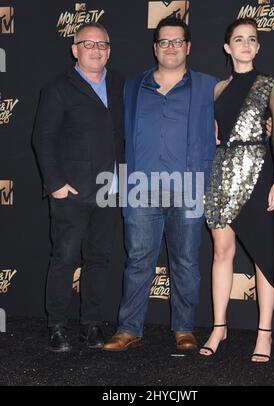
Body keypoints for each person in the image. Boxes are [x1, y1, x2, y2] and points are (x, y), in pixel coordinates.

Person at [103, 17, 218, 351]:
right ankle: (129, 329)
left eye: (177, 41)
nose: (171, 47)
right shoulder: (132, 86)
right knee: (138, 260)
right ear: (155, 47)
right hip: (140, 186)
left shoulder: (208, 86)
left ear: (188, 47)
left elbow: (232, 123)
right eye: (164, 41)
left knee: (185, 261)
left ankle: (183, 328)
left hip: (190, 187)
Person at [33, 22, 124, 352]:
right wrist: (55, 184)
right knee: (65, 258)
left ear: (109, 51)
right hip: (71, 192)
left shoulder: (119, 84)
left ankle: (91, 325)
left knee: (99, 258)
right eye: (89, 44)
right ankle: (56, 326)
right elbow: (43, 139)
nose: (96, 50)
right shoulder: (58, 88)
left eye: (102, 45)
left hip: (109, 189)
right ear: (75, 49)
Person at [199, 18, 274, 362]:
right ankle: (219, 327)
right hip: (222, 172)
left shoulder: (270, 83)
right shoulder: (217, 89)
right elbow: (212, 132)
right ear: (227, 47)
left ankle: (264, 333)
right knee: (222, 250)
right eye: (239, 39)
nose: (246, 44)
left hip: (259, 171)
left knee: (264, 254)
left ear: (258, 46)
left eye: (252, 39)